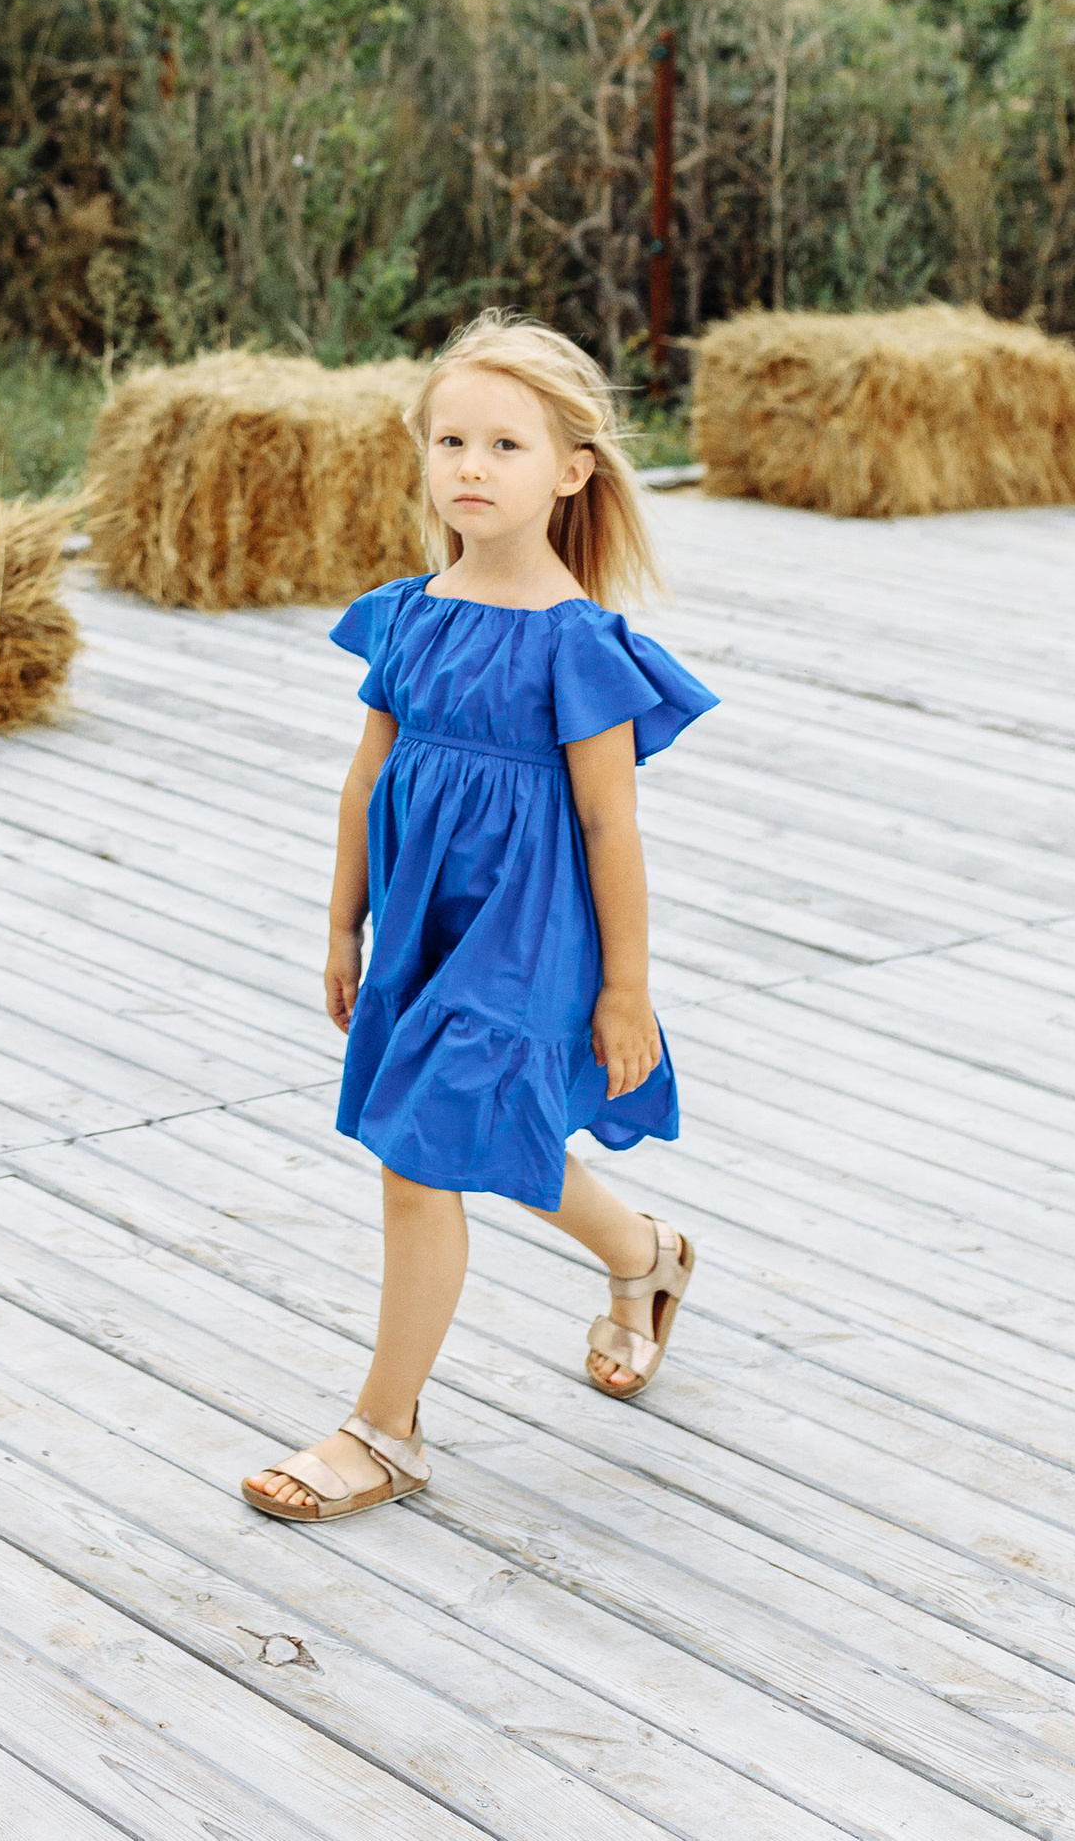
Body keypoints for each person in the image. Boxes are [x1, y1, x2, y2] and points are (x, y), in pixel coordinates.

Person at [243, 308, 718, 1523]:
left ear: (570, 471)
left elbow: (612, 831)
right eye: (449, 441)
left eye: (504, 447)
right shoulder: (405, 615)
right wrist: (342, 925)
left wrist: (625, 990)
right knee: (482, 1135)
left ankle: (381, 1433)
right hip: (419, 926)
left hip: (526, 937)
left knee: (419, 1155)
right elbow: (364, 780)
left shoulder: (578, 649)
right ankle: (641, 1256)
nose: (469, 467)